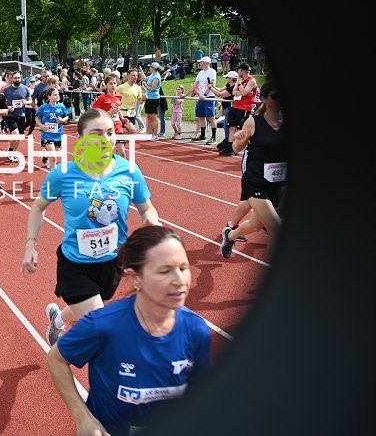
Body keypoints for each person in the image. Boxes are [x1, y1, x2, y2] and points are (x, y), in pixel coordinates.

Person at [47, 225, 211, 436]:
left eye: (183, 267)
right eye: (164, 271)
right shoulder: (103, 325)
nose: (180, 280)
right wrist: (83, 417)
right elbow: (56, 359)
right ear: (136, 278)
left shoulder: (196, 330)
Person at [21, 109, 161, 346]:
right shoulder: (62, 174)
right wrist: (30, 245)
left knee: (94, 301)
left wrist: (152, 221)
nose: (106, 139)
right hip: (75, 264)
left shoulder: (128, 171)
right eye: (97, 133)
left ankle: (57, 321)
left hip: (112, 262)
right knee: (101, 326)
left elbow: (147, 208)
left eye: (110, 132)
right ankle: (59, 358)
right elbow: (37, 208)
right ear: (81, 138)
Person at [221, 82, 285, 258]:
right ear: (263, 98)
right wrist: (240, 139)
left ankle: (230, 235)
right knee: (275, 227)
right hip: (256, 181)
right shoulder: (253, 121)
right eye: (275, 96)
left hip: (279, 183)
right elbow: (235, 148)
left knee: (256, 225)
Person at [189, 56, 218, 144]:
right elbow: (195, 85)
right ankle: (203, 135)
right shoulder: (200, 73)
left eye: (201, 62)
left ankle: (213, 137)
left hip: (209, 97)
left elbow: (211, 84)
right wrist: (185, 95)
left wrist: (205, 94)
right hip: (200, 97)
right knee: (201, 116)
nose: (200, 64)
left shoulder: (212, 71)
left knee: (211, 117)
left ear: (205, 63)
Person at [143, 62, 162, 141]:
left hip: (154, 99)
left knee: (153, 117)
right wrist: (141, 71)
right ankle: (149, 133)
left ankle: (155, 134)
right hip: (149, 98)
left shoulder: (156, 77)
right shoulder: (151, 75)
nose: (149, 68)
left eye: (150, 67)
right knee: (149, 116)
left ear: (153, 68)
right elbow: (144, 79)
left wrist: (145, 85)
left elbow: (153, 88)